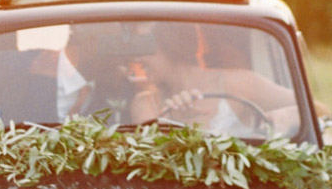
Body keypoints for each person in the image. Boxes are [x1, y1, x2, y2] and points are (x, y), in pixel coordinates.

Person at [127, 21, 301, 136]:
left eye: (144, 46)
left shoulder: (240, 83)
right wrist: (178, 123)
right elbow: (151, 165)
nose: (136, 57)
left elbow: (313, 109)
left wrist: (280, 121)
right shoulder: (145, 104)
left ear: (170, 44)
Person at [0, 24, 101, 124]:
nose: (115, 51)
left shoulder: (116, 83)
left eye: (120, 41)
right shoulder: (3, 68)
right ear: (89, 41)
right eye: (107, 40)